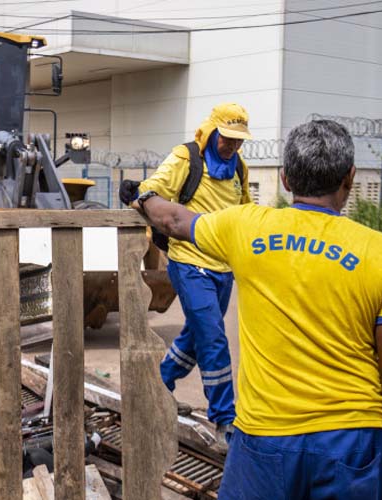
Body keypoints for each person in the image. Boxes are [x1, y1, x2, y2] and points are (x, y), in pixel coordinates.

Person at [129, 120, 382, 500]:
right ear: (350, 177)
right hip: (351, 443)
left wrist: (143, 197)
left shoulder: (247, 226)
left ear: (286, 179)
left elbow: (174, 219)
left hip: (263, 441)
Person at [119, 102, 252, 431]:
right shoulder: (187, 158)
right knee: (213, 338)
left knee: (196, 334)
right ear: (211, 131)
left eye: (238, 139)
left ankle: (156, 386)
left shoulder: (239, 168)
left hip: (224, 267)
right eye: (227, 137)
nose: (233, 145)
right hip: (190, 263)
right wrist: (135, 194)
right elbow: (155, 189)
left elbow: (245, 210)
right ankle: (224, 418)